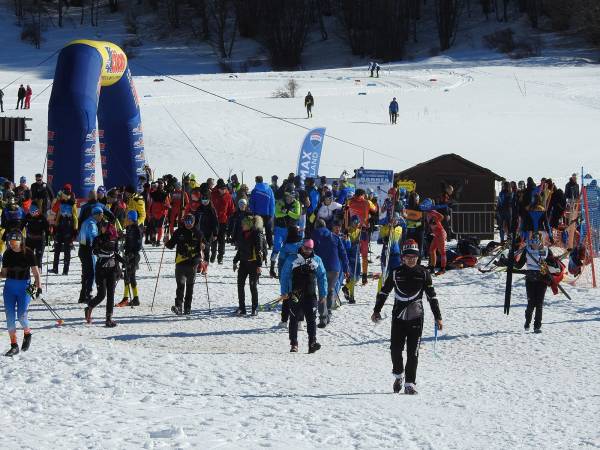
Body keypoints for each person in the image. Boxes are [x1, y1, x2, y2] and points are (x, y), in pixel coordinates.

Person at [371, 239, 443, 395]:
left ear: (418, 257)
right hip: (398, 318)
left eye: (414, 257)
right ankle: (399, 375)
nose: (411, 259)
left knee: (413, 352)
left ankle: (410, 384)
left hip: (417, 318)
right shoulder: (396, 272)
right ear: (403, 258)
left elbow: (432, 296)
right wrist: (376, 310)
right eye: (408, 256)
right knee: (395, 350)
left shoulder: (424, 273)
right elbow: (384, 292)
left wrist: (438, 317)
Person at [279, 238, 327, 354]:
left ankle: (312, 343)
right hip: (295, 294)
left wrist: (323, 293)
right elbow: (284, 275)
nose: (307, 251)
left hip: (310, 294)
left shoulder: (316, 260)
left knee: (311, 319)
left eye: (310, 249)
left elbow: (322, 277)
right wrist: (284, 292)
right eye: (306, 248)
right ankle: (294, 343)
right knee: (294, 319)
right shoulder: (292, 259)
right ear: (302, 247)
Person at [1, 230, 41, 356]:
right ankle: (14, 345)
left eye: (15, 243)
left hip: (24, 286)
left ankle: (27, 333)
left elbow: (36, 273)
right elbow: (4, 274)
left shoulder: (28, 253)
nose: (12, 245)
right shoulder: (7, 253)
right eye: (10, 243)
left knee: (21, 316)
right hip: (9, 287)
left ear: (20, 241)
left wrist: (37, 287)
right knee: (10, 317)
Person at [514, 235, 561, 333]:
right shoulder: (527, 250)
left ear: (540, 242)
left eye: (537, 243)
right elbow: (519, 265)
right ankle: (527, 322)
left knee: (539, 304)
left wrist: (549, 264)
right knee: (531, 303)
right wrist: (511, 260)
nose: (534, 246)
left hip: (542, 279)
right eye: (532, 243)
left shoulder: (546, 250)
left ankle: (537, 326)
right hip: (530, 279)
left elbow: (553, 264)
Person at [312, 219, 349, 328]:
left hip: (321, 268)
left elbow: (309, 251)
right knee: (330, 289)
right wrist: (346, 269)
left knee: (323, 292)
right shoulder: (335, 237)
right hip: (335, 269)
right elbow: (343, 254)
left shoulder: (314, 235)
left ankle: (323, 318)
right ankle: (329, 311)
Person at [85, 220, 121, 327]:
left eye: (104, 226)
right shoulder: (98, 239)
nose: (102, 228)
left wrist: (122, 266)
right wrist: (100, 251)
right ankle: (89, 307)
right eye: (101, 226)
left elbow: (116, 254)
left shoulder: (114, 239)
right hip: (101, 270)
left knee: (111, 294)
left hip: (112, 269)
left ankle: (108, 318)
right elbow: (93, 251)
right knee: (102, 295)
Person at [165, 213, 204, 315]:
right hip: (180, 262)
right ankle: (178, 306)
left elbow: (206, 245)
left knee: (190, 287)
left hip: (193, 263)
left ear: (194, 222)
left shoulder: (198, 233)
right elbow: (171, 245)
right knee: (180, 286)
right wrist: (166, 242)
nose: (188, 224)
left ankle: (188, 307)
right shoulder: (179, 232)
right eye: (186, 221)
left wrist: (204, 246)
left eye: (190, 221)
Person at [233, 215, 266, 316]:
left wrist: (259, 265)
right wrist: (235, 261)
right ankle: (242, 308)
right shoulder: (243, 234)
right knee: (240, 285)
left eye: (244, 224)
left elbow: (259, 250)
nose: (242, 225)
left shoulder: (257, 234)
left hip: (254, 264)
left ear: (249, 225)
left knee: (253, 286)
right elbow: (240, 249)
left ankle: (254, 308)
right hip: (243, 263)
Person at [270, 191, 301, 277]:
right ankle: (272, 268)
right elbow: (276, 214)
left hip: (291, 230)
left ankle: (286, 268)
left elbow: (297, 215)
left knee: (288, 249)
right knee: (277, 248)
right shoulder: (280, 202)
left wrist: (287, 212)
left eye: (291, 197)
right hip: (280, 228)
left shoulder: (297, 203)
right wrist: (288, 213)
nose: (289, 199)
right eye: (288, 197)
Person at [78, 206, 104, 304]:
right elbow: (93, 238)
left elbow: (79, 236)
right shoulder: (92, 224)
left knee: (85, 273)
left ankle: (82, 295)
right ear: (97, 214)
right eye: (101, 214)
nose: (102, 217)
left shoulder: (86, 221)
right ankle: (87, 295)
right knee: (91, 273)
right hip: (88, 251)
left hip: (82, 249)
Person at [117, 210, 143, 307]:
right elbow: (128, 241)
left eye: (128, 218)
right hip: (127, 255)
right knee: (129, 277)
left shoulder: (136, 229)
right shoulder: (129, 228)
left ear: (132, 219)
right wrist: (122, 238)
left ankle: (127, 298)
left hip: (133, 256)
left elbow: (138, 245)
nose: (126, 219)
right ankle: (135, 298)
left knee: (129, 276)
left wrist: (132, 254)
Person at [51, 188, 78, 275]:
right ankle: (55, 268)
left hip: (68, 227)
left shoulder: (72, 204)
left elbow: (75, 217)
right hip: (60, 226)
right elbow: (58, 214)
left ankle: (65, 270)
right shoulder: (61, 203)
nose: (62, 196)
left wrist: (75, 230)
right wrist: (55, 225)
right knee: (57, 248)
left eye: (64, 195)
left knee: (67, 250)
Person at [211, 178, 235, 264]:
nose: (223, 190)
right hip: (213, 221)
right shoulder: (213, 195)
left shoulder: (228, 196)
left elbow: (231, 209)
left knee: (221, 240)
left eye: (224, 189)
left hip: (223, 221)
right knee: (214, 238)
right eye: (221, 189)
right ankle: (213, 253)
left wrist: (228, 217)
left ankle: (220, 256)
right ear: (218, 188)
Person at [24, 204, 49, 270]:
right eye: (31, 212)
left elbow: (47, 229)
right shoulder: (28, 216)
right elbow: (22, 224)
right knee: (28, 256)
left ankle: (38, 274)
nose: (32, 214)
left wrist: (48, 234)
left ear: (37, 211)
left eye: (34, 212)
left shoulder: (42, 217)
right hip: (30, 240)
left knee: (38, 258)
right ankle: (27, 272)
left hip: (39, 240)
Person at [426, 209, 447, 275]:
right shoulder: (427, 214)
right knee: (432, 250)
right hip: (436, 234)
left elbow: (442, 216)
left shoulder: (432, 211)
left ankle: (443, 269)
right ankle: (432, 267)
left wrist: (435, 220)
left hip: (441, 233)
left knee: (442, 252)